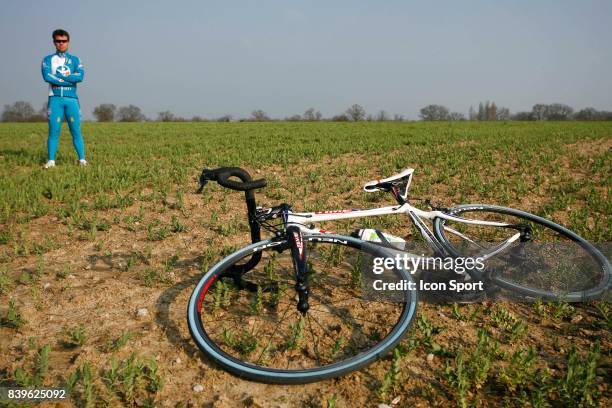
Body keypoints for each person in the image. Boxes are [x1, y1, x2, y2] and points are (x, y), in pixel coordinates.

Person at [41, 29, 87, 168]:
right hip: (55, 99)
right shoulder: (48, 59)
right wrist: (69, 79)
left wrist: (59, 78)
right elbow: (47, 77)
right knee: (54, 131)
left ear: (68, 42)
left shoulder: (76, 60)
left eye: (64, 41)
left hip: (72, 100)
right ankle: (51, 161)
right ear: (54, 42)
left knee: (76, 131)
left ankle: (82, 160)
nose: (61, 44)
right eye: (58, 41)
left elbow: (80, 77)